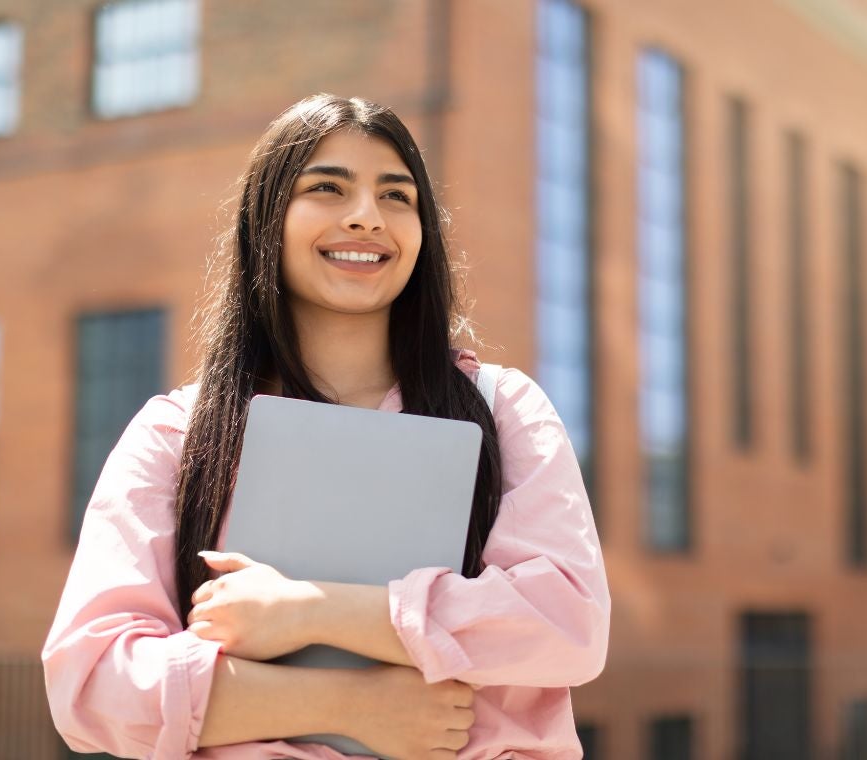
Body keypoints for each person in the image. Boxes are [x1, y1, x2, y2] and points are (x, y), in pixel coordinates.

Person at [42, 94, 610, 760]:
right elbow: (91, 684)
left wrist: (307, 611)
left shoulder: (503, 410)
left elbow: (568, 625)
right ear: (266, 222)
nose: (367, 217)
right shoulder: (178, 435)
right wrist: (353, 705)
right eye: (327, 188)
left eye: (397, 197)